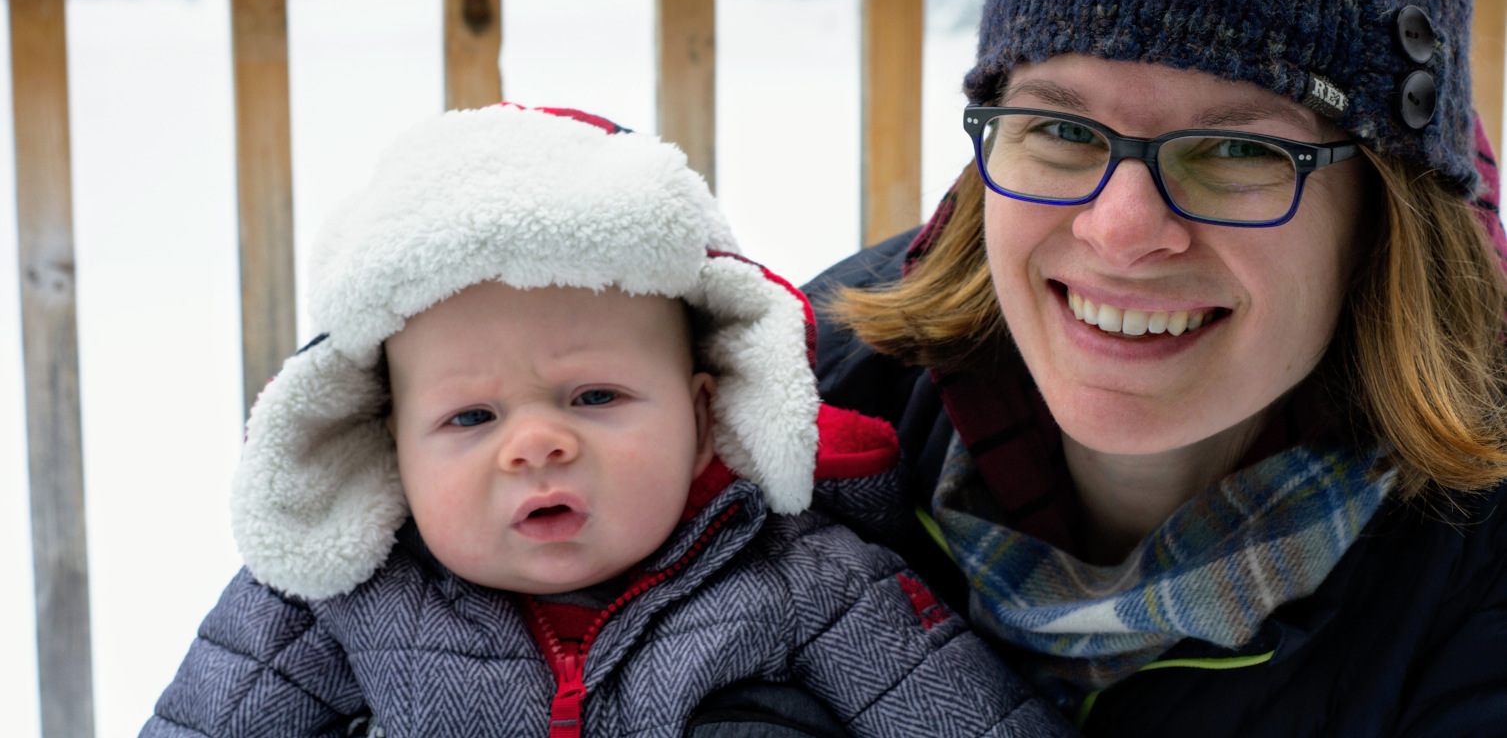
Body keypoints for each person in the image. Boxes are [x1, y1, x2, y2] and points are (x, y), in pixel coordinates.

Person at [808, 0, 1507, 735]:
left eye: (1228, 149)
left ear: (1382, 216)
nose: (1123, 227)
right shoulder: (799, 413)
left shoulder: (1474, 568)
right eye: (1058, 127)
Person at [141, 103, 1071, 738]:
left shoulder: (811, 581)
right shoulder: (326, 604)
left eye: (594, 397)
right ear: (388, 449)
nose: (537, 441)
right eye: (470, 416)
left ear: (704, 418)